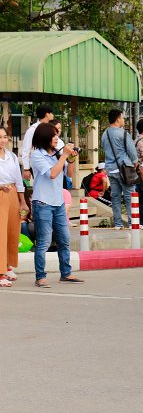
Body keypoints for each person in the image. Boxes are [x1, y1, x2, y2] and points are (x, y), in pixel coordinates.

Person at [29, 122, 83, 287]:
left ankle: (66, 273)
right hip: (43, 203)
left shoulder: (57, 154)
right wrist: (64, 156)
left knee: (64, 239)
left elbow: (69, 174)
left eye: (57, 135)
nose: (56, 138)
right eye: (53, 135)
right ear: (44, 137)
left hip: (58, 202)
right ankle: (40, 277)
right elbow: (52, 174)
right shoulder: (37, 155)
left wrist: (71, 159)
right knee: (44, 242)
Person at [101, 109, 138, 230]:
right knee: (129, 196)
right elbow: (132, 151)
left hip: (110, 169)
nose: (123, 120)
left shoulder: (105, 134)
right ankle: (132, 222)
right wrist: (135, 162)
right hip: (124, 170)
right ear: (117, 119)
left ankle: (118, 223)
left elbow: (104, 149)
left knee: (115, 197)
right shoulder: (123, 134)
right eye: (122, 118)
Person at [0, 127, 24, 287]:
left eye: (4, 137)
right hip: (1, 193)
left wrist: (22, 201)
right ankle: (0, 272)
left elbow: (19, 179)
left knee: (12, 231)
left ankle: (8, 266)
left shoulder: (12, 156)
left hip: (13, 193)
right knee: (1, 233)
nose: (2, 140)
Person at [20, 104, 55, 182]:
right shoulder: (33, 129)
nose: (53, 115)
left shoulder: (51, 128)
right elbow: (26, 149)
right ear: (47, 114)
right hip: (38, 163)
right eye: (51, 113)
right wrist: (26, 168)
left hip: (50, 162)